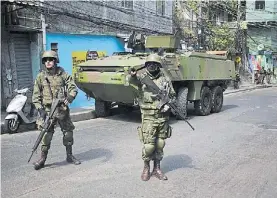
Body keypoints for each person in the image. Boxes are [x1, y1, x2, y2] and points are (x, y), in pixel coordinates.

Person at [129, 54, 176, 181]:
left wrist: (168, 103)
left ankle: (157, 168)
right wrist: (132, 76)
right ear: (146, 65)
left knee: (160, 144)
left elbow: (172, 95)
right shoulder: (141, 78)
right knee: (149, 146)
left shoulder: (165, 79)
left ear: (158, 66)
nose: (152, 66)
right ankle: (146, 168)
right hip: (148, 116)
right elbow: (131, 81)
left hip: (162, 116)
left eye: (154, 64)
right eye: (149, 64)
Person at [32, 50, 81, 170]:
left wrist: (70, 97)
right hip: (48, 110)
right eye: (46, 60)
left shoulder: (62, 73)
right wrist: (40, 110)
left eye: (50, 59)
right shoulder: (40, 76)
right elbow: (35, 96)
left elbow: (72, 86)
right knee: (46, 135)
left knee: (68, 132)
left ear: (55, 61)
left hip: (61, 109)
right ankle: (42, 159)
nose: (48, 62)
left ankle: (69, 155)